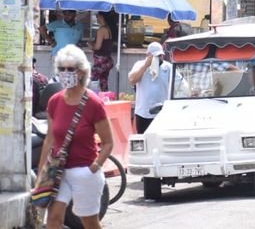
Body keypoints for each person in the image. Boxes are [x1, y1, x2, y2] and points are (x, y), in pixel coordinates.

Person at [39, 45, 114, 229]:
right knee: (53, 219)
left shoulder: (93, 103)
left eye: (70, 69)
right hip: (58, 171)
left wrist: (95, 167)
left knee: (89, 223)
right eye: (62, 69)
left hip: (85, 172)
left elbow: (108, 142)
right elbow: (50, 139)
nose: (65, 73)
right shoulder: (54, 101)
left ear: (81, 72)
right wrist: (42, 171)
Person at [128, 42, 172, 134]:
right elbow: (132, 80)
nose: (159, 58)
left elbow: (180, 83)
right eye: (156, 56)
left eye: (160, 56)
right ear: (148, 55)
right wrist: (145, 66)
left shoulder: (168, 67)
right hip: (143, 112)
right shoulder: (139, 65)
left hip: (161, 112)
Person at [90, 11, 116, 92]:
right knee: (103, 82)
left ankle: (93, 98)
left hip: (100, 62)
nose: (96, 17)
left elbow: (97, 46)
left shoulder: (101, 30)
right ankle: (106, 99)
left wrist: (90, 45)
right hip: (107, 60)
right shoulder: (108, 29)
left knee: (93, 79)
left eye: (97, 16)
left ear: (102, 17)